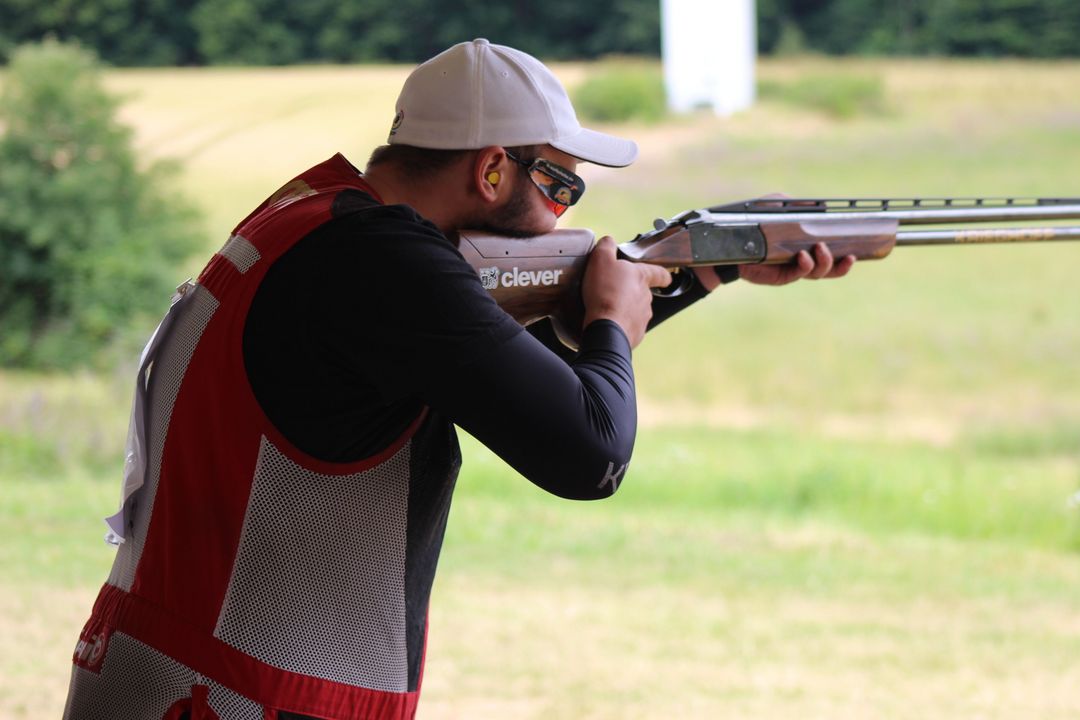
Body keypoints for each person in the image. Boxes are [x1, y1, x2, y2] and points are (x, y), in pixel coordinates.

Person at [61, 39, 853, 720]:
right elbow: (590, 454)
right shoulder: (388, 265)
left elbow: (496, 359)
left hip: (167, 673)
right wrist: (610, 323)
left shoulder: (319, 221)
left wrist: (708, 271)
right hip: (235, 695)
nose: (562, 215)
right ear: (492, 170)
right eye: (559, 186)